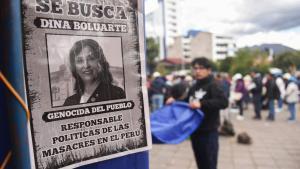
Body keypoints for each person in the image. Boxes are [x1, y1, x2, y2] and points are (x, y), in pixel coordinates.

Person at [186, 58, 228, 169]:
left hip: (209, 132)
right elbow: (187, 102)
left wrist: (201, 104)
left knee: (209, 165)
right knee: (200, 164)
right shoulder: (194, 86)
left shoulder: (214, 85)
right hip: (195, 131)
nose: (197, 71)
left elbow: (223, 102)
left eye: (201, 68)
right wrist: (174, 101)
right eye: (195, 68)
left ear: (209, 70)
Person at [63, 39, 125, 106]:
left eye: (91, 58)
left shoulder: (115, 94)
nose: (86, 65)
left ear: (100, 61)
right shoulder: (69, 102)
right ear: (74, 67)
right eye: (79, 61)